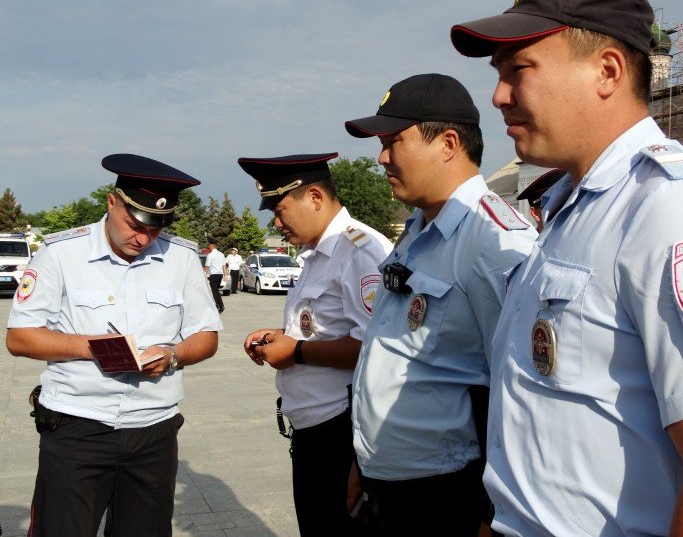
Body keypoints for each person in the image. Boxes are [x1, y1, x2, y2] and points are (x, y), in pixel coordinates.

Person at [451, 0, 683, 534]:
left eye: (519, 70)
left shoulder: (673, 208)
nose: (499, 96)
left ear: (607, 71)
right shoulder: (575, 208)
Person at [344, 73, 537, 536]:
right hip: (390, 481)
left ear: (448, 142)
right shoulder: (418, 229)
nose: (382, 157)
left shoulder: (494, 241)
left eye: (394, 141)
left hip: (447, 495)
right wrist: (363, 461)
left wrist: (496, 513)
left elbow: (520, 389)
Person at [6, 153, 222, 536]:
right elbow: (20, 337)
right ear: (112, 201)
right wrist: (94, 346)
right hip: (77, 427)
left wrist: (173, 355)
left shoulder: (182, 258)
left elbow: (206, 337)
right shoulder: (60, 254)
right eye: (135, 224)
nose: (144, 238)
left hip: (153, 432)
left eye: (156, 229)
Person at [238, 152, 392, 536]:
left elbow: (379, 346)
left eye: (280, 209)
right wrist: (283, 337)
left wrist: (297, 352)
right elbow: (323, 327)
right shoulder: (317, 254)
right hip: (314, 430)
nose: (276, 221)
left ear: (315, 198)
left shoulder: (359, 250)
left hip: (343, 432)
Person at [204, 236, 226, 313]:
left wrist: (202, 274)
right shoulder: (221, 254)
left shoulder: (210, 255)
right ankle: (220, 306)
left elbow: (207, 267)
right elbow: (224, 265)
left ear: (211, 245)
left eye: (208, 245)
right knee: (216, 290)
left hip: (213, 275)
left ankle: (218, 306)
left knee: (214, 291)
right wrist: (225, 275)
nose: (208, 247)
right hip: (220, 275)